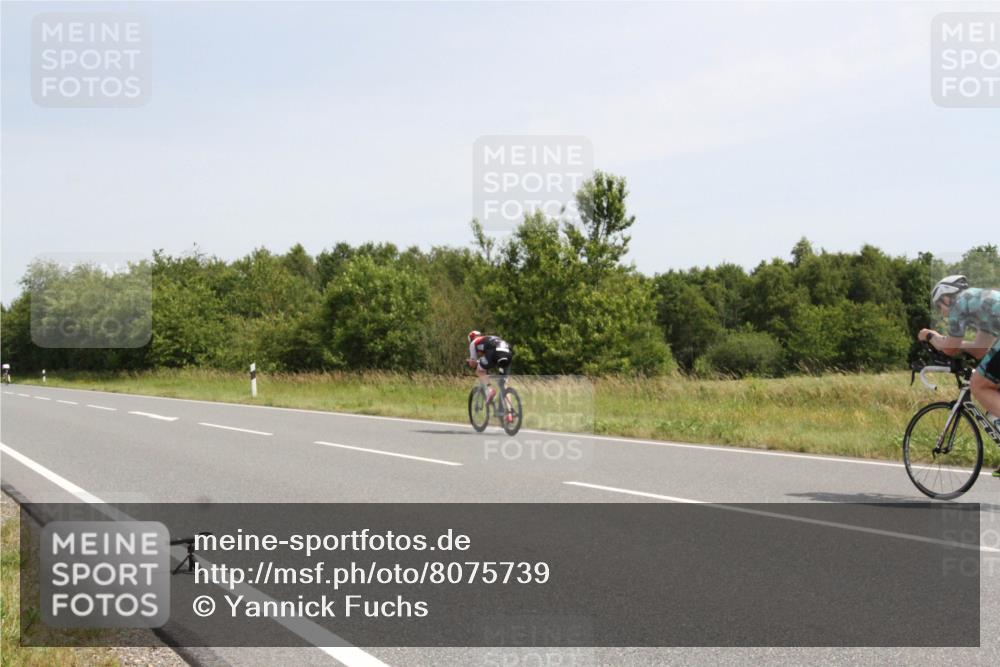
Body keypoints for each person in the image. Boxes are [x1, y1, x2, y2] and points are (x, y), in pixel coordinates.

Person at [919, 275, 1000, 474]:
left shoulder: (959, 304)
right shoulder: (980, 302)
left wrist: (930, 336)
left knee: (979, 385)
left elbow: (949, 350)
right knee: (992, 386)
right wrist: (950, 343)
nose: (942, 312)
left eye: (939, 306)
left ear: (947, 297)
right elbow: (980, 350)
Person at [466, 330, 515, 423]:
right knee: (504, 385)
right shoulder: (491, 337)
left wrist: (469, 362)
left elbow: (473, 363)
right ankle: (509, 414)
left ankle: (490, 390)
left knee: (479, 371)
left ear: (471, 339)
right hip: (508, 353)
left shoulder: (473, 343)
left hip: (494, 353)